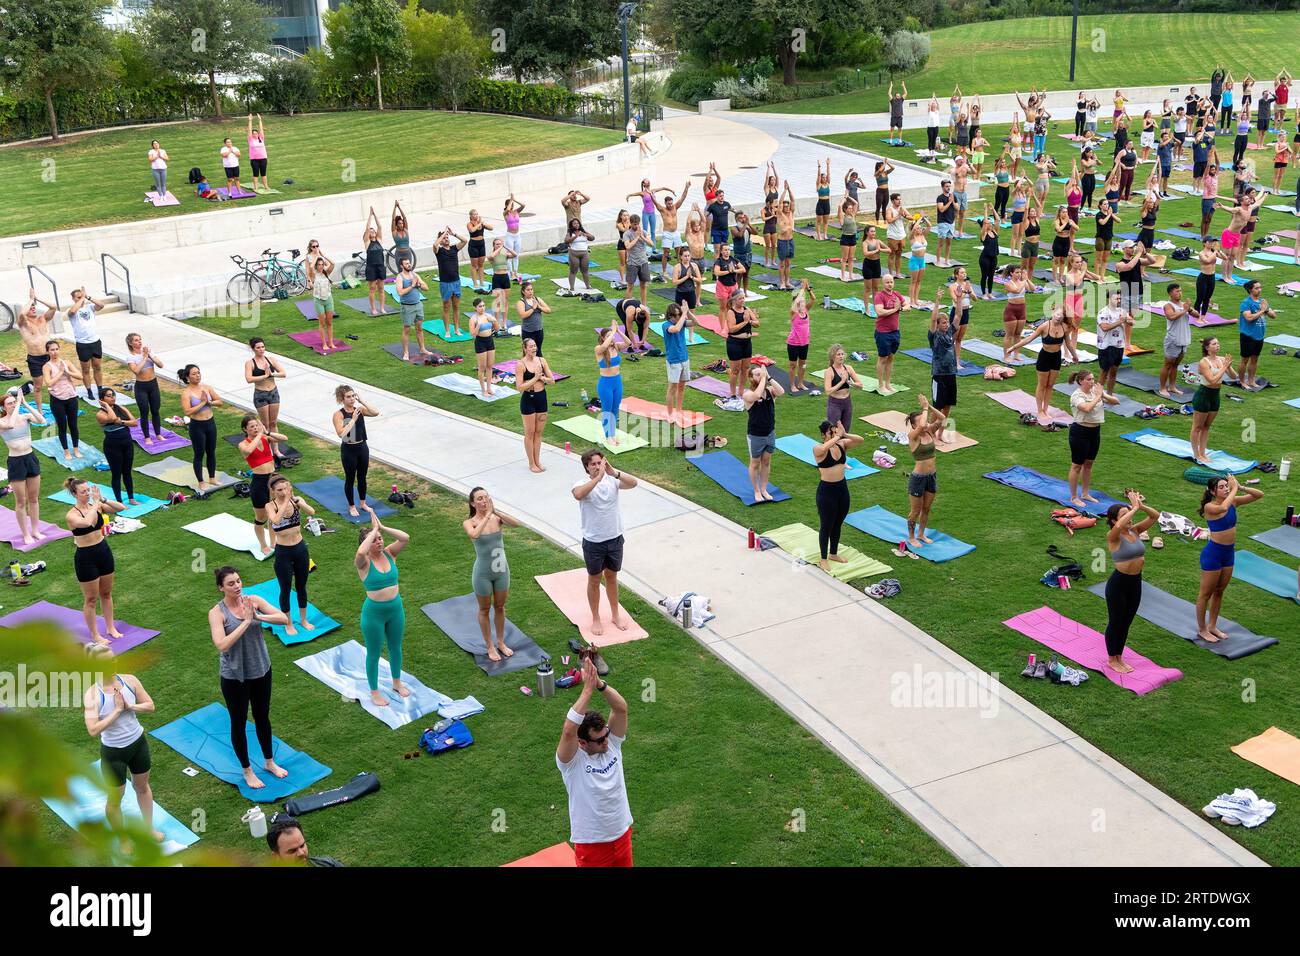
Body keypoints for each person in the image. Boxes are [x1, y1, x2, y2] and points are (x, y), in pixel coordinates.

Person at [208, 567, 290, 789]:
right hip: (235, 677)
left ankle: (269, 762)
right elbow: (221, 644)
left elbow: (283, 618)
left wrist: (257, 616)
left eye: (238, 581)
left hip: (261, 669)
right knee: (239, 722)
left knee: (263, 716)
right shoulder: (217, 613)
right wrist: (245, 622)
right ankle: (247, 771)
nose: (237, 586)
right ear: (221, 588)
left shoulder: (252, 600)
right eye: (231, 584)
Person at [556, 657, 632, 867]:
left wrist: (599, 684)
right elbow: (568, 730)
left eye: (606, 734)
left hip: (622, 835)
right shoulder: (571, 762)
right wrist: (587, 691)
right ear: (582, 743)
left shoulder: (612, 744)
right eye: (599, 741)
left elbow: (621, 709)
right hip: (593, 846)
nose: (606, 742)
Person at [83, 671, 162, 850]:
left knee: (142, 787)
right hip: (114, 753)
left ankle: (149, 829)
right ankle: (123, 840)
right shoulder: (92, 694)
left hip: (138, 744)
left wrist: (130, 706)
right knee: (115, 799)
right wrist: (117, 710)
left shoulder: (129, 680)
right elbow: (93, 730)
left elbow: (150, 706)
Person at [571, 451, 637, 637]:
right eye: (593, 464)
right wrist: (598, 478)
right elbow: (578, 495)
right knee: (594, 579)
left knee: (612, 577)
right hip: (594, 542)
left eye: (600, 462)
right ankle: (596, 618)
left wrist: (613, 472)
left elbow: (634, 483)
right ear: (586, 467)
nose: (598, 466)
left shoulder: (612, 480)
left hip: (614, 538)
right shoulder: (581, 484)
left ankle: (615, 615)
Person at [354, 504, 412, 705]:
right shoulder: (364, 563)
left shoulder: (390, 554)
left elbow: (405, 538)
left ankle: (396, 682)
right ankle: (374, 691)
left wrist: (382, 527)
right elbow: (361, 552)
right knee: (374, 652)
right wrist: (373, 532)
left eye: (380, 539)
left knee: (396, 647)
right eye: (375, 540)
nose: (379, 542)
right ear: (368, 543)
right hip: (374, 615)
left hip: (395, 609)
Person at [1197, 474, 1264, 643]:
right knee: (1205, 594)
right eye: (1221, 487)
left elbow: (1259, 495)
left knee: (1219, 591)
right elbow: (1223, 509)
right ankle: (1202, 629)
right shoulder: (1209, 507)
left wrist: (1240, 487)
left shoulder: (1233, 500)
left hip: (1228, 554)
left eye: (1226, 485)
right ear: (1213, 491)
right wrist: (1234, 490)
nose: (1226, 488)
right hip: (1213, 554)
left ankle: (1212, 626)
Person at [64, 478, 126, 650]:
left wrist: (103, 500)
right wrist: (96, 503)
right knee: (91, 599)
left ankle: (110, 627)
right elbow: (87, 523)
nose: (87, 494)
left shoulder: (96, 505)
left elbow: (122, 508)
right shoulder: (72, 515)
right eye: (83, 492)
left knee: (106, 593)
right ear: (75, 494)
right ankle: (95, 635)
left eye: (88, 490)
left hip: (103, 551)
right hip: (85, 557)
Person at [1102, 490, 1160, 673]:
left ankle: (1119, 656)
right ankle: (1112, 659)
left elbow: (1155, 516)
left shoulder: (1134, 531)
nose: (1130, 516)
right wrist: (1133, 508)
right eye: (1124, 514)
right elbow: (1119, 526)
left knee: (1126, 621)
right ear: (1113, 520)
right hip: (1118, 584)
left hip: (1135, 583)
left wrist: (1140, 506)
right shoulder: (1113, 535)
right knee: (1116, 621)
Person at [461, 487, 519, 662]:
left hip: (501, 570)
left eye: (486, 497)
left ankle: (500, 642)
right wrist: (487, 516)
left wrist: (496, 512)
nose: (484, 501)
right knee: (485, 609)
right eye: (479, 498)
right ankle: (490, 646)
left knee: (500, 607)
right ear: (472, 503)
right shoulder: (469, 522)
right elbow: (474, 535)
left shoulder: (497, 518)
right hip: (483, 574)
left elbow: (516, 524)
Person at [265, 475, 316, 637]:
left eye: (285, 488)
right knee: (285, 588)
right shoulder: (270, 506)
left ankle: (303, 619)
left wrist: (298, 501)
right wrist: (286, 500)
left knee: (302, 586)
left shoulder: (296, 500)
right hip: (283, 552)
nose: (283, 492)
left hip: (300, 549)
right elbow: (276, 521)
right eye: (279, 490)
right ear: (273, 492)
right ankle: (287, 623)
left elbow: (312, 512)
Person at [812, 420, 864, 573]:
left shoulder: (841, 445)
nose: (835, 434)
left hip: (842, 488)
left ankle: (833, 553)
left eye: (835, 431)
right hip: (826, 492)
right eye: (831, 432)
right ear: (823, 435)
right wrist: (838, 436)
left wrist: (844, 434)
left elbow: (860, 440)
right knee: (826, 526)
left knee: (838, 523)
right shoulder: (818, 449)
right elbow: (822, 448)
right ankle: (823, 558)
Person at [1067, 370, 1120, 508]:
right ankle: (1074, 497)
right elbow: (1087, 408)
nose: (1092, 381)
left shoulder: (1094, 393)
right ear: (1081, 381)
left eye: (1093, 379)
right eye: (1089, 379)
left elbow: (1116, 401)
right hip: (1080, 432)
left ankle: (1085, 493)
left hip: (1095, 431)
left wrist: (1102, 394)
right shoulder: (1076, 396)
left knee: (1089, 463)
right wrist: (1098, 396)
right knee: (1077, 465)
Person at [2, 389, 47, 545]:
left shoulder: (24, 417)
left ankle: (35, 530)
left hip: (30, 458)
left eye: (14, 402)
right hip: (16, 462)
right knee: (21, 501)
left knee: (34, 498)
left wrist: (26, 404)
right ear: (3, 408)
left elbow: (42, 421)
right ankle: (25, 533)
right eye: (10, 403)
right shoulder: (2, 422)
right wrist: (19, 402)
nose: (13, 405)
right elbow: (11, 424)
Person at [237, 415, 282, 555]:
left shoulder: (264, 437)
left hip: (273, 479)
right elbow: (249, 450)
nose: (255, 428)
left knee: (274, 514)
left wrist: (267, 433)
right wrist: (261, 434)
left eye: (256, 425)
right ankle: (263, 545)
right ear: (245, 429)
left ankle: (273, 542)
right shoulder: (243, 444)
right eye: (252, 426)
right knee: (260, 517)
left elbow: (284, 438)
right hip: (259, 481)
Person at [1018, 304, 1069, 425]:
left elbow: (1069, 343)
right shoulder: (1044, 327)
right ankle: (1039, 410)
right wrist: (1014, 347)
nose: (1058, 317)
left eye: (1061, 315)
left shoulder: (1065, 327)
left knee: (1050, 385)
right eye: (1057, 314)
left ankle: (1046, 409)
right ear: (1052, 313)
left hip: (1056, 357)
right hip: (1044, 357)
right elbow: (1028, 339)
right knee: (1042, 384)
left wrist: (1074, 355)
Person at [332, 384, 378, 516]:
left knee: (362, 477)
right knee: (350, 478)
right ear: (342, 399)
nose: (352, 399)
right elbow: (341, 433)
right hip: (349, 450)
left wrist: (362, 400)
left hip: (362, 447)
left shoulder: (360, 410)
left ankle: (363, 503)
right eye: (348, 397)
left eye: (353, 396)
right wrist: (352, 420)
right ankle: (352, 506)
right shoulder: (338, 414)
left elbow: (375, 412)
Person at [905, 396, 944, 549]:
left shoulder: (929, 432)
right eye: (922, 419)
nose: (926, 421)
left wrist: (929, 406)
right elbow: (921, 426)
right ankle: (911, 537)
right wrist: (925, 409)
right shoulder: (913, 436)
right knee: (915, 511)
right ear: (915, 425)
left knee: (926, 508)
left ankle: (921, 534)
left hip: (931, 476)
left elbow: (942, 418)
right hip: (918, 478)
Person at [742, 365, 783, 504]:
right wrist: (764, 379)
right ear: (751, 378)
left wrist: (769, 378)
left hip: (770, 433)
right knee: (755, 463)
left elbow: (782, 391)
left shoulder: (770, 391)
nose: (761, 376)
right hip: (755, 436)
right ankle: (756, 490)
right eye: (757, 374)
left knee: (766, 462)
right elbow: (757, 395)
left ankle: (764, 489)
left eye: (762, 374)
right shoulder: (747, 394)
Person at [1190, 337, 1233, 466]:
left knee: (1206, 427)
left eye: (1218, 343)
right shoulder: (1204, 362)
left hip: (1215, 395)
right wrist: (1224, 367)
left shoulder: (1221, 360)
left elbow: (1234, 377)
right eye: (1214, 344)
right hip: (1203, 395)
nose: (1217, 345)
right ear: (1207, 347)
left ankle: (1203, 453)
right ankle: (1196, 454)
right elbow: (1212, 380)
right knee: (1197, 427)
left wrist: (1228, 367)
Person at [178, 364, 221, 490]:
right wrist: (203, 403)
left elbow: (220, 401)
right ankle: (201, 481)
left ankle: (212, 478)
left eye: (198, 373)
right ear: (187, 377)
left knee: (211, 451)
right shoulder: (186, 393)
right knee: (199, 454)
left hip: (210, 423)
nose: (197, 376)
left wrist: (210, 402)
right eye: (194, 374)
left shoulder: (207, 387)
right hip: (197, 426)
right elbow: (187, 412)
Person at [41, 341, 84, 462]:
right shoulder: (47, 366)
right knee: (62, 426)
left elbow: (80, 376)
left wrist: (67, 372)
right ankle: (66, 451)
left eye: (56, 349)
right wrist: (60, 372)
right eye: (52, 350)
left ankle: (76, 449)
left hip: (71, 398)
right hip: (57, 400)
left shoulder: (66, 363)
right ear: (48, 351)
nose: (55, 352)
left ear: (59, 349)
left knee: (73, 425)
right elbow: (48, 383)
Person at [244, 338, 286, 459]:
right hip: (260, 394)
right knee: (265, 425)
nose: (261, 349)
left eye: (263, 347)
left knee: (273, 422)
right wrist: (264, 376)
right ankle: (269, 452)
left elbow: (283, 373)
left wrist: (272, 374)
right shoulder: (250, 363)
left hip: (273, 392)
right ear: (253, 349)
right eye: (258, 347)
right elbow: (249, 379)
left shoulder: (271, 359)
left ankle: (277, 450)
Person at [517, 337, 554, 473]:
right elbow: (519, 387)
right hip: (528, 399)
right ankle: (531, 463)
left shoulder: (542, 361)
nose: (533, 348)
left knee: (539, 432)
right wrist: (535, 378)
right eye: (530, 346)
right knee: (530, 433)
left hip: (541, 398)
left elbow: (552, 380)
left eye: (535, 346)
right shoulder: (521, 364)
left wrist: (543, 378)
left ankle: (537, 461)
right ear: (525, 348)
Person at [96, 388, 138, 506]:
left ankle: (131, 498)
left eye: (113, 395)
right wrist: (106, 406)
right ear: (102, 400)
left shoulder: (122, 408)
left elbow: (134, 422)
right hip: (113, 446)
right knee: (116, 473)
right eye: (109, 396)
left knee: (127, 472)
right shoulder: (100, 414)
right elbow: (113, 418)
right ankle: (119, 502)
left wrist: (123, 423)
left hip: (127, 444)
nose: (112, 397)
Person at [17, 290, 57, 411]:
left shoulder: (43, 318)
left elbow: (53, 307)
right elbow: (22, 314)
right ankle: (39, 410)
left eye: (34, 307)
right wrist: (30, 299)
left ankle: (55, 406)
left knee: (52, 384)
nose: (33, 308)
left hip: (48, 357)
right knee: (38, 387)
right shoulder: (23, 323)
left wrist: (37, 299)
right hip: (35, 359)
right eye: (31, 307)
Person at [66, 286, 106, 403]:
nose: (81, 298)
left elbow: (101, 305)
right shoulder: (72, 310)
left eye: (81, 295)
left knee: (97, 366)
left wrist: (88, 297)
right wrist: (81, 300)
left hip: (95, 341)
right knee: (86, 369)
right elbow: (73, 311)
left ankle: (100, 389)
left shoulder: (90, 307)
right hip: (83, 344)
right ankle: (89, 390)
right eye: (78, 297)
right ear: (73, 299)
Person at [124, 333, 163, 446]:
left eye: (140, 339)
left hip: (153, 385)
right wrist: (145, 357)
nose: (139, 342)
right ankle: (147, 437)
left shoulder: (149, 352)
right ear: (131, 343)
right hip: (141, 387)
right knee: (144, 412)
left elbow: (161, 365)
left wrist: (150, 356)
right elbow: (136, 370)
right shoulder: (130, 357)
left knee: (155, 410)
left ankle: (158, 434)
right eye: (136, 340)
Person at [724, 290, 759, 411]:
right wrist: (745, 322)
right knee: (735, 370)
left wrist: (749, 320)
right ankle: (733, 394)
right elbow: (732, 329)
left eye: (743, 298)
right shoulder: (730, 312)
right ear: (734, 300)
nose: (743, 300)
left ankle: (741, 391)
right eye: (740, 299)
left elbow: (757, 323)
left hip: (747, 343)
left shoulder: (747, 309)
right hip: (735, 343)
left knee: (745, 369)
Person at [394, 256, 434, 362]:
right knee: (407, 329)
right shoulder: (400, 277)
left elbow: (426, 288)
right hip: (407, 307)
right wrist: (412, 286)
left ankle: (422, 349)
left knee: (419, 328)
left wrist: (419, 284)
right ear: (401, 266)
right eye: (406, 264)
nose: (409, 265)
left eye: (409, 263)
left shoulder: (415, 275)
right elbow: (400, 292)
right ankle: (406, 352)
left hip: (418, 305)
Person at [927, 289, 958, 423]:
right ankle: (928, 431)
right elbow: (933, 319)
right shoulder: (934, 335)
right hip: (939, 375)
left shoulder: (950, 332)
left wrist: (960, 299)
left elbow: (958, 316)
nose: (946, 324)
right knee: (937, 406)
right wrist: (938, 301)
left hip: (951, 373)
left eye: (947, 322)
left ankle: (941, 431)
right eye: (944, 323)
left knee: (948, 405)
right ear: (938, 325)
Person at [1237, 279, 1274, 390]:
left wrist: (1266, 309)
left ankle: (1251, 381)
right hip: (1248, 335)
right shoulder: (1246, 303)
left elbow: (1273, 315)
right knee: (1245, 359)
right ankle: (1242, 381)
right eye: (1257, 288)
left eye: (1260, 287)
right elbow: (1248, 318)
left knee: (1255, 359)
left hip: (1259, 335)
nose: (1259, 290)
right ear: (1250, 290)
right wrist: (1262, 311)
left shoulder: (1262, 302)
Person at [1159, 284, 1194, 399]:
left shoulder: (1184, 305)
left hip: (1183, 339)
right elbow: (1171, 316)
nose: (1180, 293)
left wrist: (1189, 309)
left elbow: (1197, 315)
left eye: (1180, 291)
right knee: (1168, 365)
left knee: (1176, 365)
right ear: (1170, 293)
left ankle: (1172, 386)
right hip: (1173, 340)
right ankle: (1162, 388)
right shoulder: (1168, 305)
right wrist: (1184, 310)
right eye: (1177, 291)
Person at [1095, 289, 1133, 395]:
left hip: (1119, 345)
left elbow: (1132, 322)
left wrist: (1127, 320)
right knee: (1104, 372)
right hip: (1106, 347)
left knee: (1114, 372)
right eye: (1116, 298)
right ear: (1109, 299)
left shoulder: (1122, 311)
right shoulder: (1103, 312)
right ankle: (1098, 396)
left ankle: (1110, 394)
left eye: (1120, 298)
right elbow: (1104, 327)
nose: (1119, 300)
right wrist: (1120, 321)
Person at [661, 302, 693, 425]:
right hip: (673, 361)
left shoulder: (681, 321)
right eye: (677, 315)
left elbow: (696, 323)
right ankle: (669, 414)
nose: (679, 317)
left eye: (680, 314)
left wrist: (688, 311)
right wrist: (684, 314)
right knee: (672, 389)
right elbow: (676, 329)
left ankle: (678, 411)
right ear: (670, 316)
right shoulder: (666, 325)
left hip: (684, 359)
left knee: (682, 388)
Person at [267, 816, 344, 867]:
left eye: (302, 846)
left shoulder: (328, 863)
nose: (301, 853)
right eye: (292, 851)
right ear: (276, 856)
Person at [873, 273, 905, 395]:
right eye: (887, 282)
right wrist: (895, 309)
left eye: (891, 282)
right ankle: (881, 384)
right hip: (883, 332)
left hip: (895, 331)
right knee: (882, 358)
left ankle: (888, 383)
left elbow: (907, 306)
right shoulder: (879, 296)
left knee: (891, 357)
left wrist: (900, 308)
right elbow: (879, 311)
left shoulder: (896, 294)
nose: (890, 284)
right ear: (883, 283)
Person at [433, 227, 466, 337]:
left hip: (456, 281)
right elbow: (434, 245)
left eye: (447, 238)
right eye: (444, 238)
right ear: (441, 240)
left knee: (456, 307)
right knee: (446, 307)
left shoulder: (454, 248)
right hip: (445, 283)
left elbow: (465, 241)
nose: (446, 239)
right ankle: (447, 331)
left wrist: (453, 233)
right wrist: (442, 235)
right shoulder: (439, 251)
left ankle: (456, 329)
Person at [304, 240, 336, 354]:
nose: (321, 266)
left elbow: (332, 264)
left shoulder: (326, 272)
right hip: (318, 300)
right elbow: (310, 269)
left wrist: (322, 256)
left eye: (322, 265)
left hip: (328, 299)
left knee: (330, 322)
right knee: (322, 323)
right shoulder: (315, 275)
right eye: (320, 265)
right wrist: (315, 258)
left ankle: (331, 342)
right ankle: (324, 343)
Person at [595, 327, 624, 443]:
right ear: (602, 338)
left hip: (617, 382)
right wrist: (613, 332)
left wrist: (619, 331)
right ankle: (608, 437)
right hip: (605, 384)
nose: (611, 338)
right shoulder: (598, 349)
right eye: (607, 336)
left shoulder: (615, 347)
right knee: (607, 410)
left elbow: (628, 343)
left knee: (615, 409)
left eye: (611, 336)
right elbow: (603, 347)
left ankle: (612, 434)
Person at [823, 343, 860, 433]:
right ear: (833, 357)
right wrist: (842, 381)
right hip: (835, 404)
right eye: (838, 354)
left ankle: (843, 447)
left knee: (846, 431)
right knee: (834, 431)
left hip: (847, 402)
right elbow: (827, 391)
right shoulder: (829, 372)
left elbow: (860, 385)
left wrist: (850, 383)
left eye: (842, 354)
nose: (841, 357)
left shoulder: (849, 368)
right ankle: (831, 447)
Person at [786, 281, 812, 395]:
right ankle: (792, 385)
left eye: (803, 302)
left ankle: (801, 383)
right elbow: (796, 301)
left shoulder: (806, 311)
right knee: (793, 365)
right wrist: (802, 289)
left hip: (804, 343)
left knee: (803, 363)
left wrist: (808, 289)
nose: (803, 303)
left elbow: (813, 299)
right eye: (801, 302)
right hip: (793, 343)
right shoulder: (793, 313)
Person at [1001, 266, 1029, 363]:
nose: (1019, 274)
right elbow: (1016, 290)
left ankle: (1016, 354)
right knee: (1009, 335)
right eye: (1017, 272)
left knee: (1018, 334)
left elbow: (1033, 288)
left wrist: (1027, 279)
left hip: (1021, 310)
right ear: (1011, 273)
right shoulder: (1008, 284)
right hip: (1011, 310)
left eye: (1020, 272)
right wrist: (1024, 281)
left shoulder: (1023, 282)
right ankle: (1006, 355)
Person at [516, 280, 550, 358]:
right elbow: (523, 315)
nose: (530, 291)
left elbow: (548, 310)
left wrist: (539, 307)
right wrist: (533, 308)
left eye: (531, 289)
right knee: (528, 352)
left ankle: (540, 368)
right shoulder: (521, 302)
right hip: (528, 331)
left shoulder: (537, 299)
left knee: (538, 350)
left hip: (539, 330)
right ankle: (526, 368)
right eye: (528, 290)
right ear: (523, 291)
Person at [361, 208, 385, 316]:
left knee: (381, 288)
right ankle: (373, 308)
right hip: (371, 268)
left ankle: (382, 308)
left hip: (380, 267)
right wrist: (370, 216)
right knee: (372, 289)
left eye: (373, 230)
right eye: (370, 231)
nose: (372, 231)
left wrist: (375, 215)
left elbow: (379, 226)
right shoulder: (367, 243)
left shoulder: (379, 240)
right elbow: (367, 228)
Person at [947, 266, 976, 357]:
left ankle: (957, 361)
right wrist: (965, 291)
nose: (964, 274)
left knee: (959, 339)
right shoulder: (952, 286)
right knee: (953, 339)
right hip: (956, 312)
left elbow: (975, 299)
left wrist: (969, 291)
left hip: (966, 312)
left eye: (965, 273)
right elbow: (956, 300)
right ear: (956, 275)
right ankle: (949, 359)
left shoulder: (968, 285)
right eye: (962, 273)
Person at [565, 218, 595, 295]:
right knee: (573, 271)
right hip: (574, 254)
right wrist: (576, 236)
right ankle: (572, 287)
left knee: (585, 270)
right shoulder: (570, 233)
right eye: (574, 223)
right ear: (571, 225)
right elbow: (566, 241)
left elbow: (592, 238)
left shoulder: (583, 231)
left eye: (577, 223)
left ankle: (588, 286)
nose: (576, 225)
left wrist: (585, 234)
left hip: (584, 254)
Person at [976, 206, 1001, 300]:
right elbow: (985, 222)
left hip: (994, 257)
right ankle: (983, 293)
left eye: (991, 223)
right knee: (984, 276)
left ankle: (990, 293)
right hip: (984, 258)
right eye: (989, 223)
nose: (990, 224)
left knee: (991, 276)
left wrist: (993, 210)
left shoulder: (994, 232)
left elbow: (998, 220)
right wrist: (986, 210)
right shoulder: (983, 234)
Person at [465, 208, 492, 293]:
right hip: (473, 245)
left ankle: (481, 281)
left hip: (481, 244)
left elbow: (491, 228)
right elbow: (472, 230)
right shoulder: (469, 224)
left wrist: (484, 224)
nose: (476, 215)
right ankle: (475, 282)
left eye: (477, 214)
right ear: (471, 216)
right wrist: (479, 223)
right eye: (474, 214)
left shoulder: (481, 223)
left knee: (481, 264)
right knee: (474, 265)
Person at [776, 182, 797, 290]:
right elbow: (780, 202)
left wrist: (789, 189)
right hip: (782, 241)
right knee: (782, 264)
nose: (787, 208)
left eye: (788, 206)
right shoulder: (780, 214)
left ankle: (787, 281)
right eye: (785, 207)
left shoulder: (791, 213)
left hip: (790, 240)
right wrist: (784, 190)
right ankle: (782, 282)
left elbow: (793, 201)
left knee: (788, 263)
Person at [906, 219, 931, 309]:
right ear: (914, 229)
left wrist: (924, 219)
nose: (920, 229)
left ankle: (916, 299)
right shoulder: (912, 237)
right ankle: (911, 300)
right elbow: (912, 230)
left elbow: (929, 226)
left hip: (922, 261)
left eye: (921, 228)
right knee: (913, 281)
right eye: (918, 228)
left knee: (919, 281)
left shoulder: (922, 236)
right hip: (914, 261)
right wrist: (919, 219)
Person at [671, 247, 703, 311]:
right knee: (679, 314)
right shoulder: (677, 267)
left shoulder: (694, 266)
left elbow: (700, 280)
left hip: (691, 293)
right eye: (685, 256)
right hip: (680, 293)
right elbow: (674, 282)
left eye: (688, 256)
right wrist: (686, 277)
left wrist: (691, 277)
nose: (687, 258)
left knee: (691, 313)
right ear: (681, 257)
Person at [502, 194, 525, 280]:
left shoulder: (516, 212)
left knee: (516, 255)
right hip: (510, 236)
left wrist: (514, 199)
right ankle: (511, 273)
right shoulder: (505, 213)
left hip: (517, 235)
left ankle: (515, 272)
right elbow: (507, 209)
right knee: (509, 255)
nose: (512, 206)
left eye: (513, 205)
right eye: (510, 204)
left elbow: (523, 205)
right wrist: (511, 200)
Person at [934, 179, 957, 268]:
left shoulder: (953, 196)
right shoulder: (940, 198)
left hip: (951, 222)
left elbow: (957, 208)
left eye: (949, 186)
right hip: (943, 222)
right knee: (941, 243)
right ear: (943, 187)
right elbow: (942, 209)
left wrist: (953, 201)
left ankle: (946, 260)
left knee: (949, 243)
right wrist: (950, 202)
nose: (948, 188)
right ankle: (938, 260)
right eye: (946, 186)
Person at [837, 196, 860, 281]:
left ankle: (850, 275)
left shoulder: (853, 215)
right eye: (849, 208)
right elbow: (840, 206)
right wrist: (844, 198)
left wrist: (849, 197)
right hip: (845, 238)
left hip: (853, 238)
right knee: (844, 258)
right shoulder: (842, 217)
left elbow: (856, 203)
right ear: (845, 209)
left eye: (851, 208)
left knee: (851, 258)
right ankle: (843, 275)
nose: (851, 210)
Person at [247, 115, 269, 192]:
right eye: (253, 133)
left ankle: (266, 186)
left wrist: (260, 120)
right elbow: (249, 130)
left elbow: (261, 129)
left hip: (263, 159)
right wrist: (250, 120)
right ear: (252, 135)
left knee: (263, 173)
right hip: (254, 160)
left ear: (258, 134)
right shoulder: (250, 140)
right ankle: (256, 187)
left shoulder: (261, 138)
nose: (255, 134)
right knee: (255, 173)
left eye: (256, 133)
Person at [391, 201, 414, 273]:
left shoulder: (406, 230)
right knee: (401, 272)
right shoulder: (394, 232)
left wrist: (399, 207)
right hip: (399, 254)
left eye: (402, 223)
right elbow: (393, 219)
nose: (401, 224)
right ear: (396, 225)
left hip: (407, 253)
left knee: (408, 271)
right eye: (399, 223)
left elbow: (404, 217)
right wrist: (395, 207)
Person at [813, 160, 832, 240]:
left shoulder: (828, 184)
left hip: (827, 203)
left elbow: (829, 174)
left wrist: (828, 164)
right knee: (819, 221)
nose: (824, 178)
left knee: (826, 221)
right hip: (820, 203)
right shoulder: (819, 185)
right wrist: (819, 167)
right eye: (823, 177)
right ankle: (819, 235)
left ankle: (825, 235)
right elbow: (818, 176)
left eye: (825, 177)